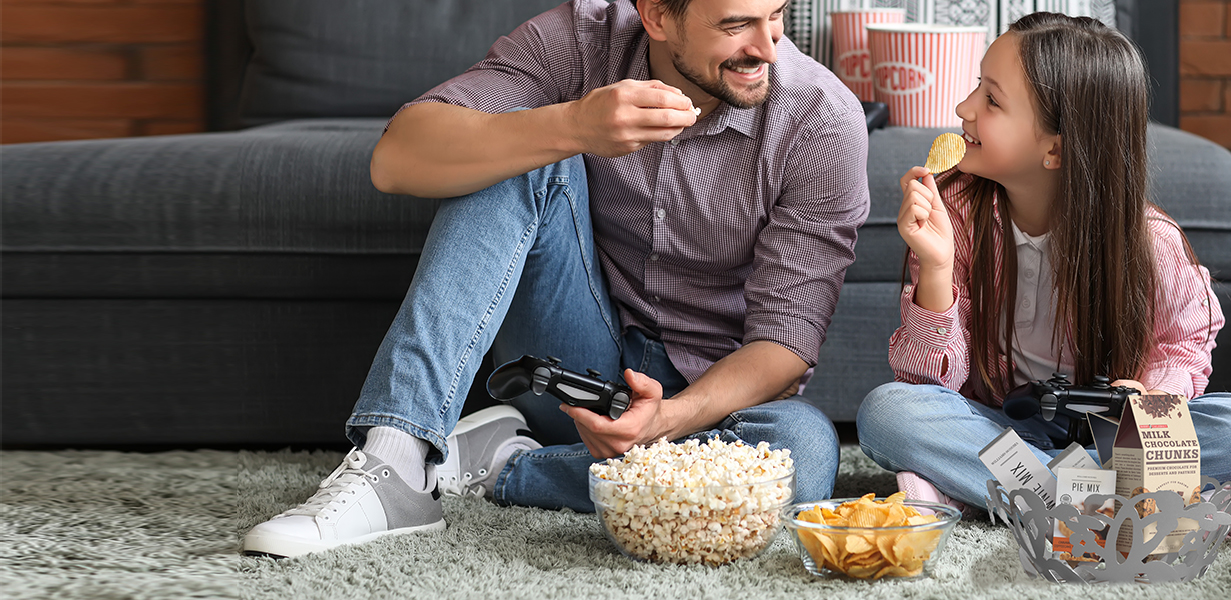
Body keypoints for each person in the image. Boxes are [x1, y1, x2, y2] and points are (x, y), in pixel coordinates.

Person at [242, 0, 869, 558]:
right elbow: (395, 159)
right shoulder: (580, 41)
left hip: (713, 400)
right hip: (571, 366)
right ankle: (397, 463)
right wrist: (571, 126)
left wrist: (669, 418)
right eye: (736, 25)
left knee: (803, 455)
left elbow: (786, 344)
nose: (766, 48)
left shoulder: (819, 121)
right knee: (517, 151)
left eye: (777, 17)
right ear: (656, 15)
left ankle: (506, 466)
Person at [855, 12, 1231, 547]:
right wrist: (937, 267)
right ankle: (1142, 505)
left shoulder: (1149, 241)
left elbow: (1183, 344)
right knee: (889, 412)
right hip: (999, 424)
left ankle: (987, 494)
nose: (963, 109)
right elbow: (929, 386)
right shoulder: (955, 219)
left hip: (1113, 436)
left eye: (991, 99)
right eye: (975, 89)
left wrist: (1151, 394)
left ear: (1055, 148)